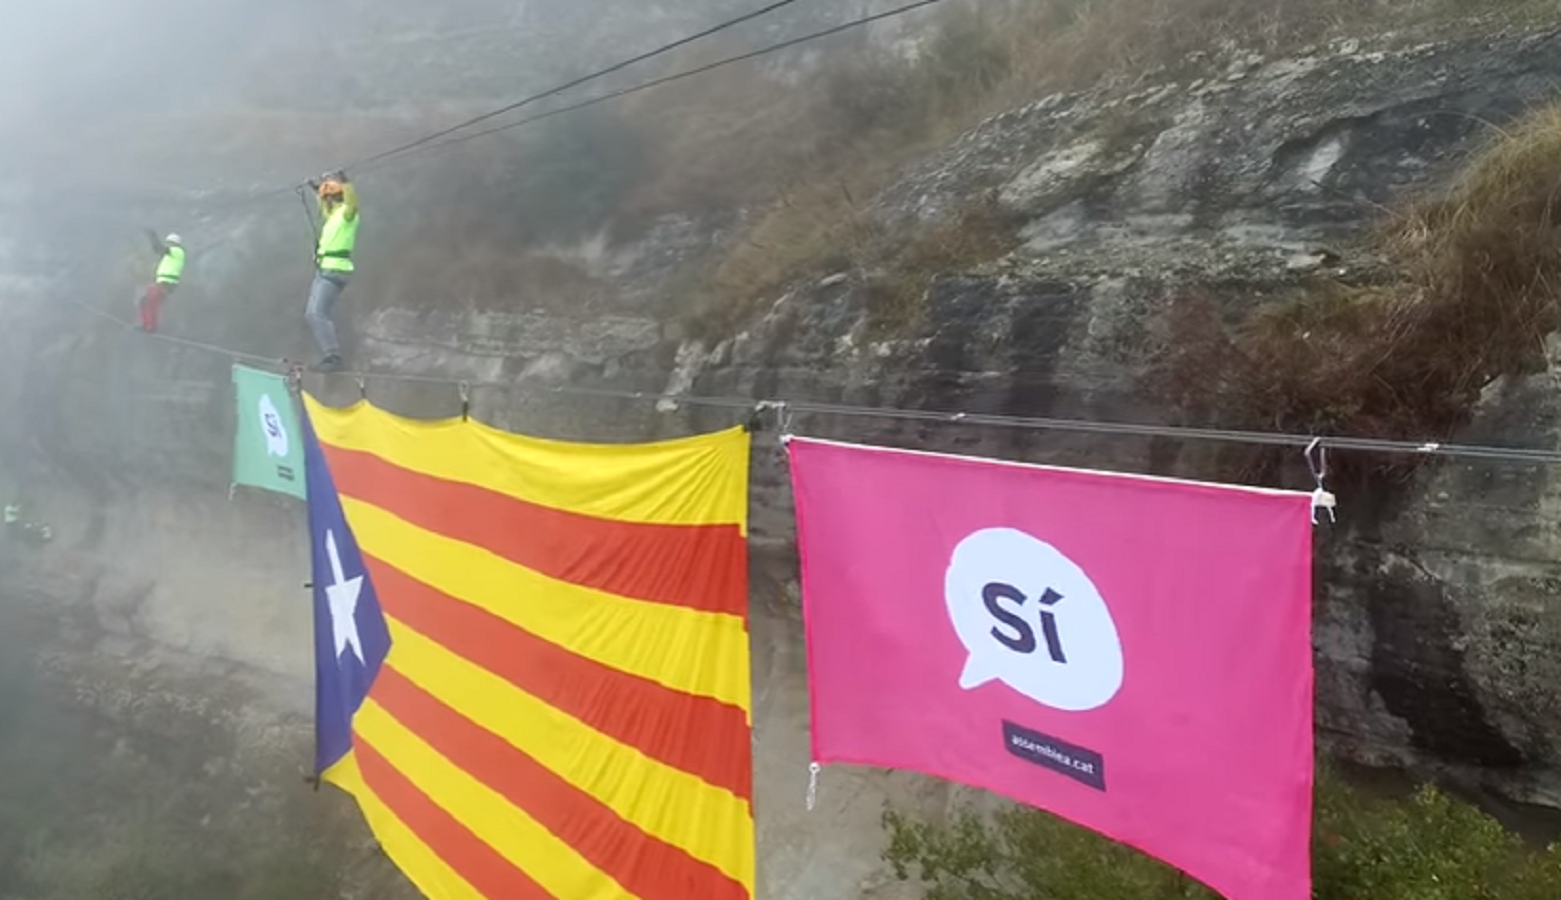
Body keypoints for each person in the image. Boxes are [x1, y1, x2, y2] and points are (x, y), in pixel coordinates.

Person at [304, 170, 360, 372]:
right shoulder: (333, 216)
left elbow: (352, 203)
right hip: (324, 270)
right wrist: (316, 190)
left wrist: (346, 182)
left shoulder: (347, 215)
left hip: (335, 270)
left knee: (317, 314)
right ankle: (330, 356)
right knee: (312, 314)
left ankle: (333, 357)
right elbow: (324, 206)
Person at [138, 230, 185, 332]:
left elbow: (160, 249)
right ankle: (146, 324)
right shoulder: (171, 254)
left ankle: (151, 326)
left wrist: (153, 236)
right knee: (144, 301)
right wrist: (152, 238)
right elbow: (157, 249)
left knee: (151, 302)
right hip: (162, 283)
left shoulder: (177, 251)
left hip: (167, 283)